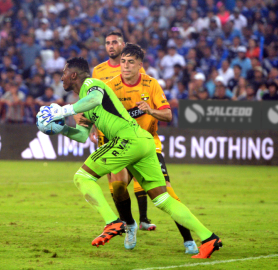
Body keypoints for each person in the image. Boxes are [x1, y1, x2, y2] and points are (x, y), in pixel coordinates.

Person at [37, 55, 222, 259]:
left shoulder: (92, 84)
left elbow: (96, 99)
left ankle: (113, 222)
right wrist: (61, 128)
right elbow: (81, 136)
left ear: (73, 75)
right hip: (142, 142)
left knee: (81, 177)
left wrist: (63, 110)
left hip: (127, 139)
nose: (61, 77)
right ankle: (208, 238)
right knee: (162, 199)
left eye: (63, 73)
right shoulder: (83, 103)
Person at [84, 42, 199, 254]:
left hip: (148, 146)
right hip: (122, 145)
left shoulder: (151, 84)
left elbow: (168, 115)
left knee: (167, 194)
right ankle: (130, 225)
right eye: (123, 62)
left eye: (131, 63)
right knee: (118, 188)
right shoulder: (109, 87)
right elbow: (95, 110)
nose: (125, 66)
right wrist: (92, 126)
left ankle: (188, 240)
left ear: (140, 65)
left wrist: (151, 110)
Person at [85, 31, 154, 234]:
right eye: (107, 43)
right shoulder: (98, 70)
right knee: (114, 178)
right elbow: (94, 100)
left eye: (115, 42)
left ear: (124, 44)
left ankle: (142, 218)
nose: (111, 46)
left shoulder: (133, 69)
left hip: (132, 130)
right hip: (107, 130)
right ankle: (122, 221)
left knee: (139, 172)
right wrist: (93, 126)